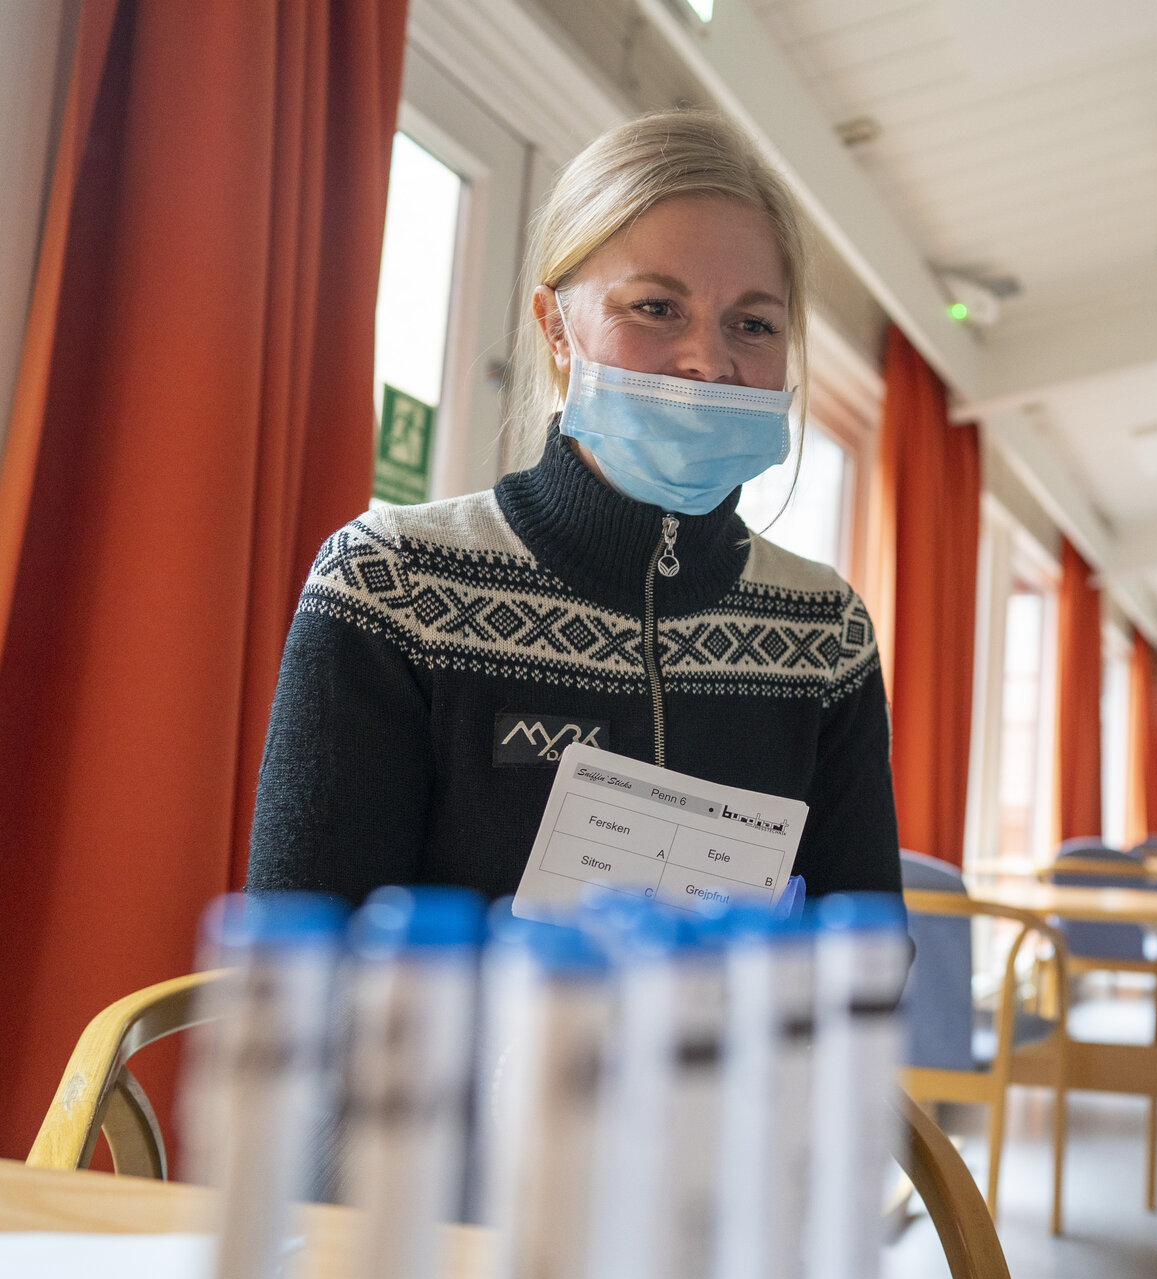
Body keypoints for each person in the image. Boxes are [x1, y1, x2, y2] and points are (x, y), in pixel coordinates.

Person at [248, 110, 899, 911]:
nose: (708, 359)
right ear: (556, 328)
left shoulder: (825, 633)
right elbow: (302, 955)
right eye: (656, 307)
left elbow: (867, 949)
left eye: (754, 324)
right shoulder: (392, 586)